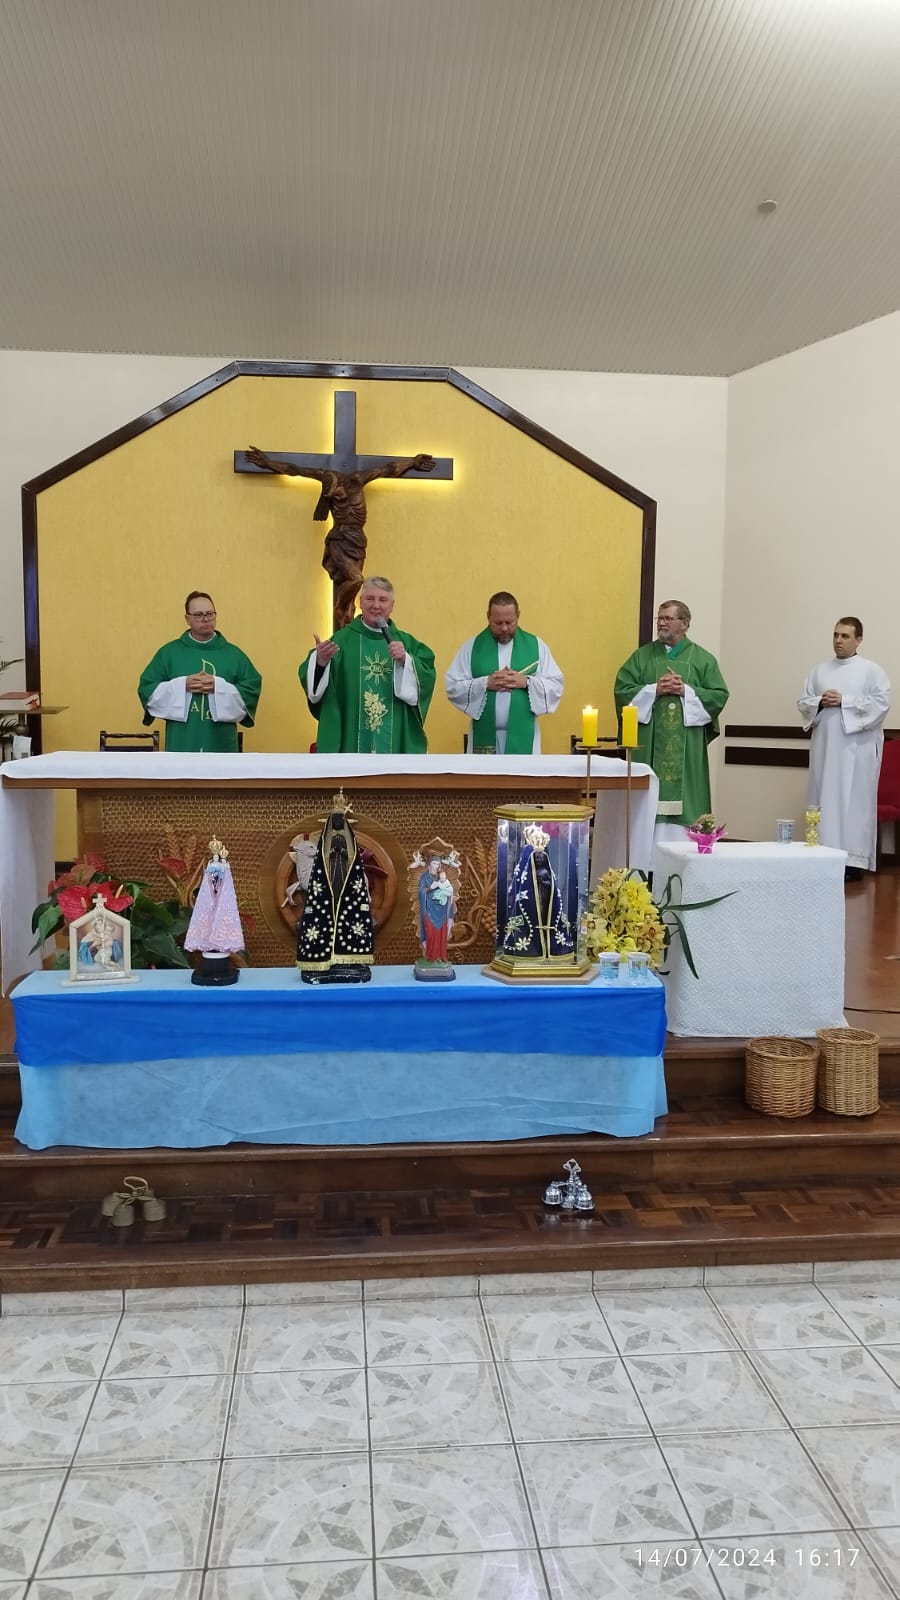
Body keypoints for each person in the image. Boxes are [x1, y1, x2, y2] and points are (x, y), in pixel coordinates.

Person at [245, 444, 435, 629]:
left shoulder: (357, 480)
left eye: (337, 493)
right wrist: (268, 463)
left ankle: (346, 618)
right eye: (332, 497)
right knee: (356, 579)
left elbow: (388, 469)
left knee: (350, 588)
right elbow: (295, 469)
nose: (337, 498)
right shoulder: (326, 482)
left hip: (358, 540)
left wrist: (412, 462)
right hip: (339, 538)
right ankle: (340, 608)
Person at [614, 601, 729, 831]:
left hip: (687, 751)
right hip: (648, 746)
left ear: (684, 624)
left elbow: (718, 696)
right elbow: (622, 691)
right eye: (660, 618)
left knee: (686, 803)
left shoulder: (703, 659)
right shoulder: (641, 657)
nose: (661, 623)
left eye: (668, 618)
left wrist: (685, 691)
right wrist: (654, 690)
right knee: (645, 812)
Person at [798, 617, 891, 880]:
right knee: (822, 797)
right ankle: (821, 856)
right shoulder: (819, 671)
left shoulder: (872, 671)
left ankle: (852, 861)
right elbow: (803, 703)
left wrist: (844, 701)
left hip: (856, 751)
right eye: (836, 635)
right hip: (825, 750)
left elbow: (881, 704)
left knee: (852, 803)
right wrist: (819, 702)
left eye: (845, 636)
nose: (838, 640)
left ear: (859, 639)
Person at [299, 576, 435, 753]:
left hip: (395, 742)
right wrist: (320, 663)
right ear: (361, 603)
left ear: (392, 606)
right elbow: (314, 686)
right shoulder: (341, 642)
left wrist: (406, 662)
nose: (376, 605)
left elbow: (427, 674)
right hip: (350, 741)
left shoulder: (407, 644)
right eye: (370, 598)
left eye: (383, 600)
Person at [138, 592, 261, 752]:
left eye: (210, 614)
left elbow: (251, 691)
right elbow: (147, 690)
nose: (205, 619)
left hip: (221, 742)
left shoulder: (234, 655)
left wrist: (219, 687)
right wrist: (182, 685)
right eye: (198, 615)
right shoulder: (168, 653)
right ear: (187, 619)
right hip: (182, 740)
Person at [445, 592, 564, 754]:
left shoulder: (536, 646)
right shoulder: (472, 647)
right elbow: (453, 687)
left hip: (524, 737)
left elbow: (556, 686)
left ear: (518, 616)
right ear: (488, 616)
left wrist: (526, 682)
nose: (504, 628)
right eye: (498, 622)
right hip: (483, 736)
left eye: (510, 622)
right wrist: (485, 683)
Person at [296, 791, 374, 982]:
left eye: (341, 819)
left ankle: (347, 958)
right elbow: (322, 859)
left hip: (345, 877)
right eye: (336, 819)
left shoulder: (348, 840)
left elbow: (352, 859)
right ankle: (324, 959)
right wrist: (332, 852)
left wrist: (342, 852)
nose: (338, 823)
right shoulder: (326, 840)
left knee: (345, 912)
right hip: (330, 877)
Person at [417, 855, 456, 963]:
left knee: (441, 934)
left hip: (441, 909)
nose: (436, 866)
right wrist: (430, 888)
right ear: (429, 864)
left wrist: (448, 894)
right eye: (434, 863)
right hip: (429, 909)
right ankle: (431, 956)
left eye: (438, 864)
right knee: (431, 933)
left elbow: (448, 888)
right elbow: (420, 892)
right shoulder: (424, 877)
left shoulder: (441, 876)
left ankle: (441, 956)